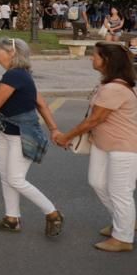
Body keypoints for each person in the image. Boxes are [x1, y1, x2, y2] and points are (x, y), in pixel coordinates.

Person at [0, 37, 64, 236]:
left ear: (12, 53)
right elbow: (41, 104)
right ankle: (12, 219)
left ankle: (52, 213)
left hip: (21, 134)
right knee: (6, 177)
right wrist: (53, 129)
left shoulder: (15, 76)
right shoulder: (21, 74)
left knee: (15, 179)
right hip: (6, 132)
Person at [53, 43, 137, 252]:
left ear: (107, 60)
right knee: (97, 182)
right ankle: (124, 222)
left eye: (95, 56)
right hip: (103, 144)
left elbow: (93, 120)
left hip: (124, 147)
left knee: (120, 192)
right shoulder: (106, 85)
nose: (92, 59)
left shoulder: (114, 89)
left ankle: (123, 238)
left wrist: (66, 137)